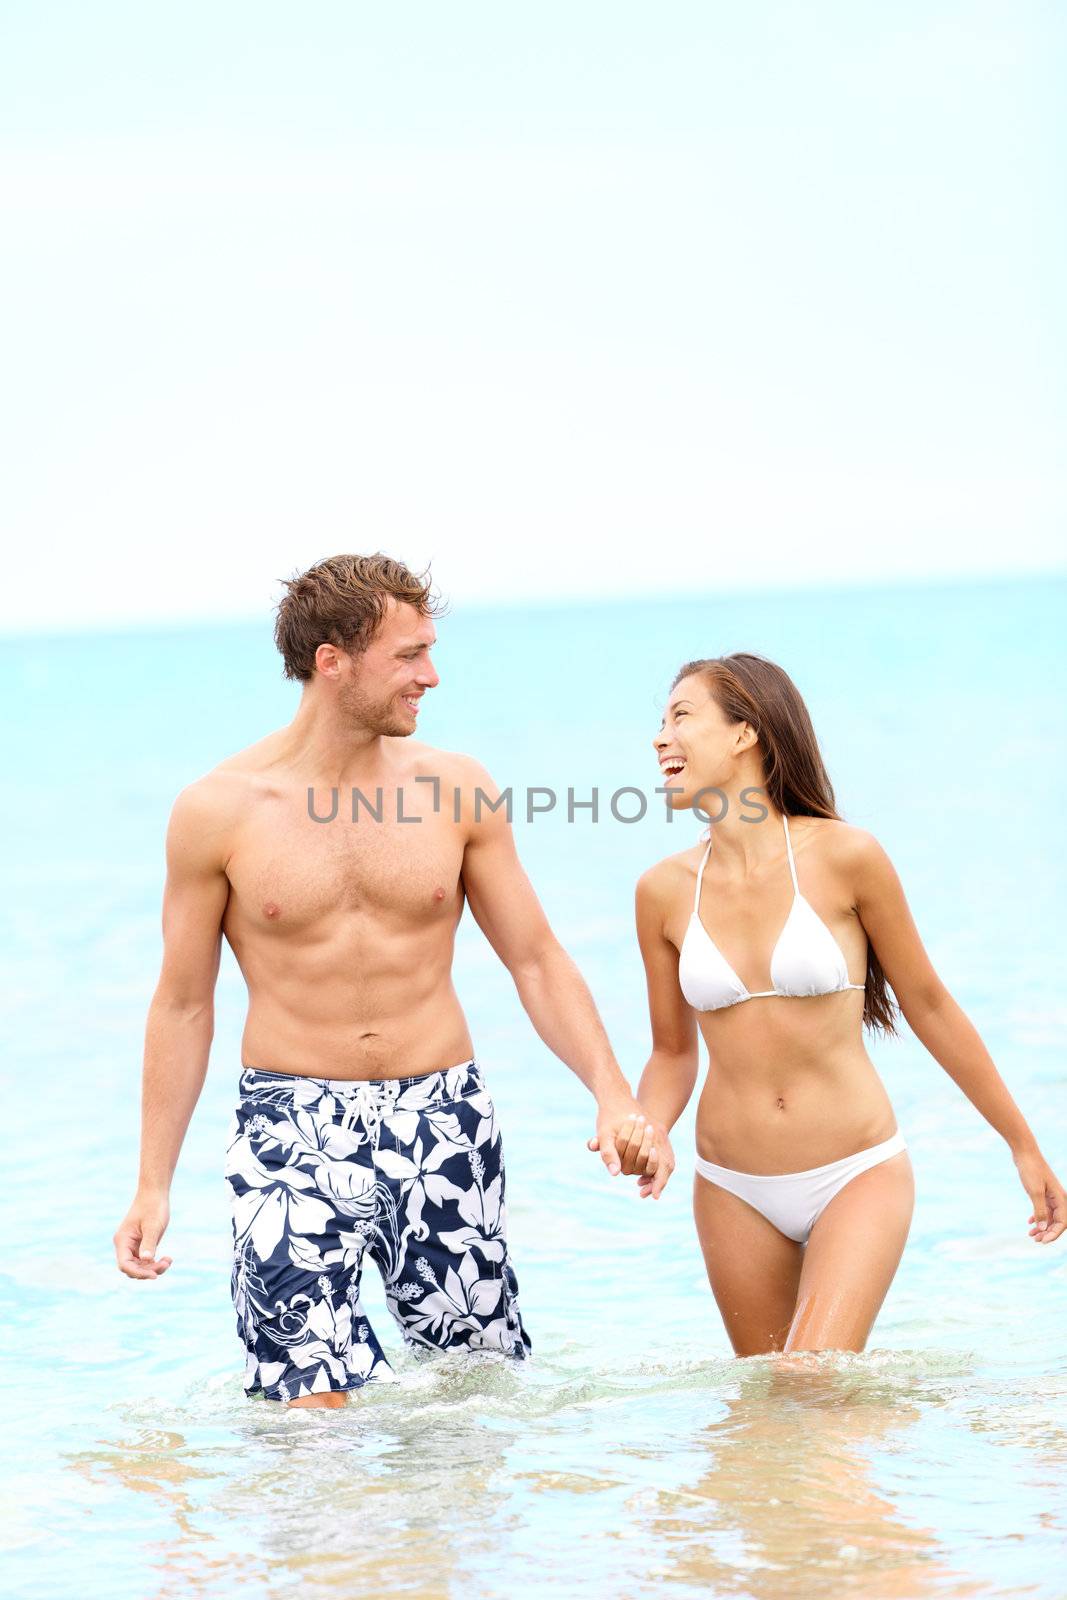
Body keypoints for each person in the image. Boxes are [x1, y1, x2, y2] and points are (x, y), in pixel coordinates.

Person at [113, 553, 666, 1407]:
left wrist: (611, 1091)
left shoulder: (455, 789)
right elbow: (184, 1004)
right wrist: (152, 1182)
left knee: (474, 1396)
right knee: (304, 1407)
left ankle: (439, 1549)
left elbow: (535, 957)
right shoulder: (216, 810)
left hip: (442, 1115)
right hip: (290, 1128)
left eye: (429, 651)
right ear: (332, 661)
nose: (430, 676)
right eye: (408, 656)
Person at [618, 651, 1065, 1355]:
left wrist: (1021, 1143)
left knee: (811, 1380)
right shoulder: (661, 891)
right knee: (770, 1416)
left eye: (681, 716)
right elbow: (672, 1053)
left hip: (854, 1171)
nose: (659, 737)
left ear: (745, 733)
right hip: (731, 1186)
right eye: (660, 721)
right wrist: (647, 1129)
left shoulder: (845, 857)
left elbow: (929, 1005)